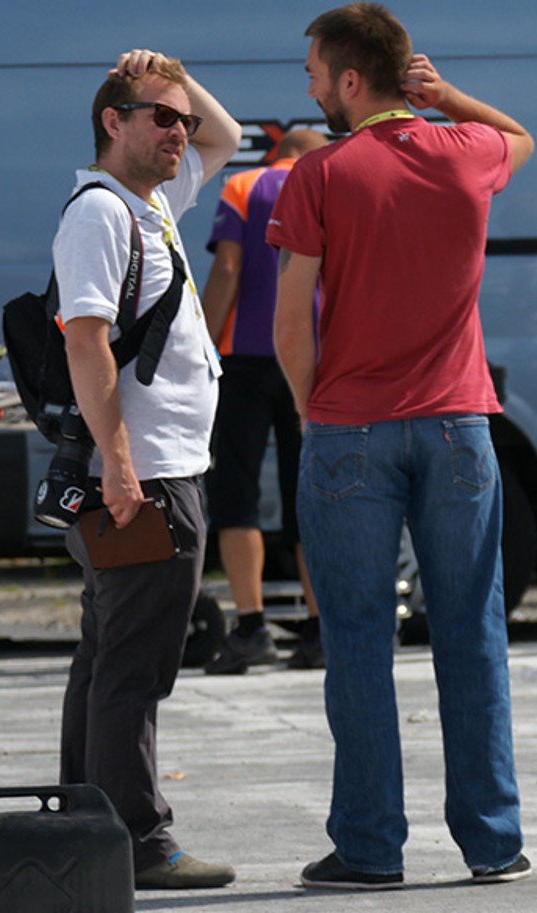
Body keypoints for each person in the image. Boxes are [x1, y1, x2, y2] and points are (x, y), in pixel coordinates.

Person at [270, 2, 533, 890]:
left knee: (356, 636)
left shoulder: (320, 173)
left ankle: (371, 846)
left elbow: (289, 326)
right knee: (471, 628)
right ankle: (494, 841)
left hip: (352, 427)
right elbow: (520, 137)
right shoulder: (469, 156)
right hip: (460, 422)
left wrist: (315, 413)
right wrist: (447, 93)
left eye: (315, 72)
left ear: (350, 80)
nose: (308, 85)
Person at [57, 49, 241, 889]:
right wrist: (122, 468)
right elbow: (86, 340)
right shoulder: (101, 214)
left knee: (106, 657)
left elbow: (229, 135)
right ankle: (138, 839)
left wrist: (171, 70)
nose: (182, 130)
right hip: (146, 478)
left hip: (160, 469)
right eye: (161, 115)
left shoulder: (151, 201)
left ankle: (84, 826)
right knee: (134, 665)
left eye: (182, 118)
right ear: (112, 121)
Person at [199, 127, 329, 674]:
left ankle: (251, 629)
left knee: (238, 494)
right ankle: (322, 632)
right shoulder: (329, 187)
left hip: (247, 359)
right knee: (312, 497)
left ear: (279, 151)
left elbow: (227, 269)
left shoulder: (244, 186)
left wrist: (201, 346)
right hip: (313, 358)